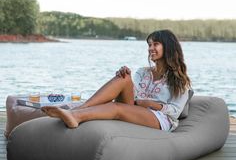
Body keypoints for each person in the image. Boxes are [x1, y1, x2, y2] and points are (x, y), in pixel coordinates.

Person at [42, 29, 191, 132]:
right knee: (124, 77)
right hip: (137, 108)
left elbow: (175, 111)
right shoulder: (143, 72)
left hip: (161, 119)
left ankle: (76, 117)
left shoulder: (180, 80)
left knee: (117, 107)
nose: (150, 48)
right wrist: (127, 80)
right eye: (149, 44)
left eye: (155, 44)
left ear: (168, 47)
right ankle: (77, 110)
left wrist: (150, 104)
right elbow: (135, 97)